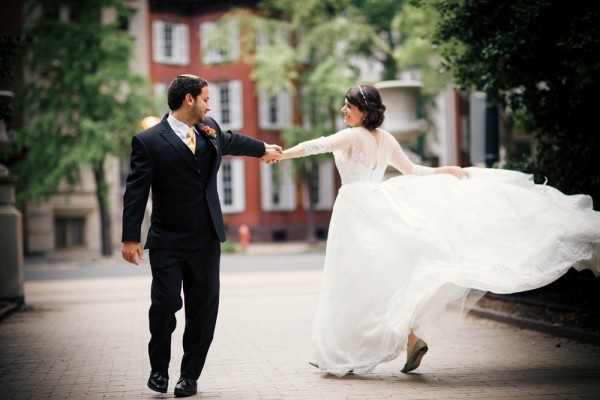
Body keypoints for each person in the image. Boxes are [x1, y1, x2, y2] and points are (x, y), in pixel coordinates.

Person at [269, 84, 600, 377]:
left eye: (349, 106)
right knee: (373, 281)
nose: (343, 110)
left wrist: (281, 155)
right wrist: (445, 170)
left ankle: (345, 351)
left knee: (351, 281)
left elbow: (317, 145)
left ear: (363, 112)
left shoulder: (352, 135)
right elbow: (411, 170)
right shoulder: (384, 139)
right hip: (377, 205)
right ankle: (401, 339)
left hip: (354, 210)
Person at [121, 74, 281, 397]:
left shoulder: (209, 132)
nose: (210, 105)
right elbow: (135, 192)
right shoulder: (149, 141)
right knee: (164, 304)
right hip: (167, 240)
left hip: (206, 240)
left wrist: (264, 147)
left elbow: (234, 141)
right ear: (189, 100)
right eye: (206, 99)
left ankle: (189, 375)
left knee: (203, 310)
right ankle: (159, 369)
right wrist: (130, 237)